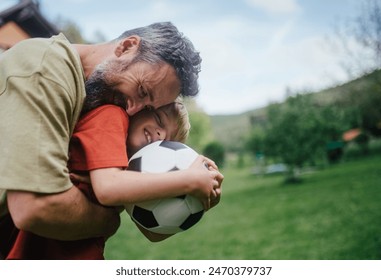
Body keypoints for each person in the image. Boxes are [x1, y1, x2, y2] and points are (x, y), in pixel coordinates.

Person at [0, 22, 203, 242]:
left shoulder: (100, 102)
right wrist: (109, 220)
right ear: (126, 47)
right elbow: (35, 207)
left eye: (148, 108)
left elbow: (151, 232)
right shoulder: (45, 68)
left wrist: (201, 195)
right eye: (142, 90)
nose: (132, 109)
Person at [4, 101, 222, 259]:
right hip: (36, 248)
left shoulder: (134, 170)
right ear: (139, 107)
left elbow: (152, 233)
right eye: (158, 119)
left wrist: (202, 200)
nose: (159, 134)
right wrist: (189, 180)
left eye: (167, 137)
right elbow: (108, 189)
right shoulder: (111, 116)